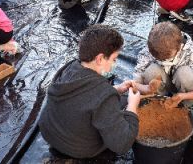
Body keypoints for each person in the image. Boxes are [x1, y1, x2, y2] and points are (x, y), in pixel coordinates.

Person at [39, 24, 140, 160]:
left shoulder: (70, 67)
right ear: (99, 59)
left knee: (117, 102)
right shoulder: (103, 94)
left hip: (51, 135)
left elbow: (83, 98)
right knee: (123, 111)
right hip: (78, 149)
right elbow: (122, 145)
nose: (114, 64)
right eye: (114, 59)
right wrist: (132, 107)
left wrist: (116, 89)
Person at [134, 22, 193, 123]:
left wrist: (182, 96)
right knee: (152, 70)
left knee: (185, 74)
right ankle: (159, 99)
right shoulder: (149, 49)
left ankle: (190, 103)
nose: (163, 61)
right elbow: (136, 80)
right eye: (159, 58)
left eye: (167, 58)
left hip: (184, 88)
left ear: (179, 47)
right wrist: (144, 89)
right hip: (163, 84)